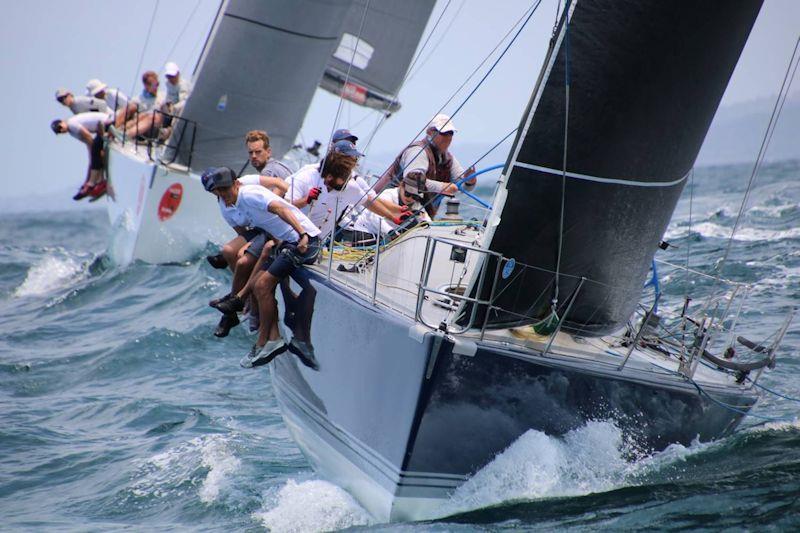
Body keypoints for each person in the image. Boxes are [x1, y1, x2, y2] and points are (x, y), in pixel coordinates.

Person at [202, 168, 322, 369]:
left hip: (304, 242)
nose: (223, 194)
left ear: (236, 184)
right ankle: (266, 332)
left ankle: (265, 342)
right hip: (286, 243)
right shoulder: (234, 203)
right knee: (258, 281)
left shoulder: (249, 195)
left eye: (226, 189)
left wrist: (303, 235)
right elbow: (266, 225)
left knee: (262, 286)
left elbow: (281, 209)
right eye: (219, 191)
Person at [204, 168, 289, 338]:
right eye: (214, 192)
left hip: (270, 223)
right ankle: (244, 299)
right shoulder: (223, 203)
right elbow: (241, 231)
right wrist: (249, 244)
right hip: (256, 230)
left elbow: (281, 184)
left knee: (243, 261)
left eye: (220, 190)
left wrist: (270, 206)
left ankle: (234, 306)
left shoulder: (248, 186)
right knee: (228, 251)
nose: (219, 195)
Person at [285, 141, 404, 242]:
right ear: (336, 158)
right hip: (293, 235)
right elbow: (285, 207)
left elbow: (369, 202)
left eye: (354, 160)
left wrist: (393, 217)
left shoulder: (351, 186)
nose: (353, 164)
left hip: (316, 241)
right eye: (348, 161)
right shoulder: (308, 175)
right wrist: (305, 200)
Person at [382, 113, 474, 217]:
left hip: (416, 214)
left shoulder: (448, 158)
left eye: (450, 133)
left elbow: (461, 186)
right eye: (443, 132)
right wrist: (443, 187)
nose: (447, 137)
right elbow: (413, 181)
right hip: (387, 210)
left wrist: (470, 182)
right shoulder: (418, 151)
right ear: (429, 132)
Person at [50, 112, 109, 200]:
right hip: (101, 129)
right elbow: (87, 143)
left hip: (106, 123)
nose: (61, 131)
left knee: (95, 154)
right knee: (93, 157)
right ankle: (93, 183)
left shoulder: (71, 124)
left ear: (62, 122)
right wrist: (91, 157)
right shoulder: (71, 132)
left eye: (60, 128)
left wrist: (95, 154)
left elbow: (88, 136)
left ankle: (95, 183)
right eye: (58, 132)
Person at [124, 71, 165, 139]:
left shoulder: (163, 97)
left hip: (154, 127)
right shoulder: (139, 98)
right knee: (132, 108)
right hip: (139, 122)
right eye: (152, 85)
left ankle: (126, 136)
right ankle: (115, 130)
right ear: (146, 86)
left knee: (149, 116)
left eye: (157, 84)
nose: (156, 87)